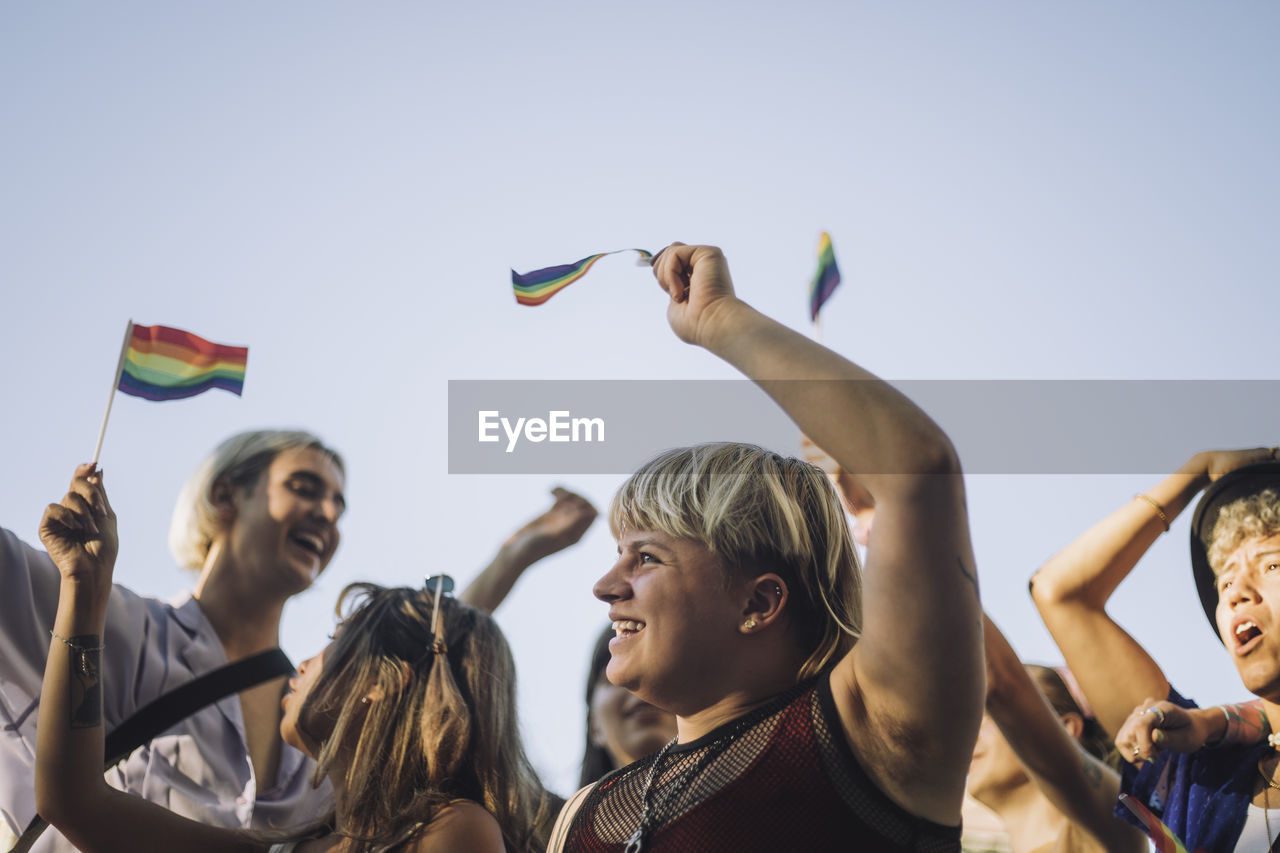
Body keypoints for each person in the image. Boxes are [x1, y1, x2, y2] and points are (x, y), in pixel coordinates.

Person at [549, 242, 984, 852]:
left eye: (646, 557)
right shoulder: (583, 816)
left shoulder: (871, 733)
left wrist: (718, 319)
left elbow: (919, 470)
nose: (605, 586)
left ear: (760, 602)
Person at [34, 465, 549, 852]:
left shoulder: (452, 831)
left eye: (336, 639)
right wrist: (84, 586)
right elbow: (73, 800)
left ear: (383, 681)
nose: (302, 663)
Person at [1, 431, 346, 851]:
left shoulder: (322, 730)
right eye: (304, 488)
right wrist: (82, 585)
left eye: (338, 506)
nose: (327, 513)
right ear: (225, 494)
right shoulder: (109, 623)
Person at [1031, 449, 1280, 851]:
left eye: (1272, 566)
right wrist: (1197, 471)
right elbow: (1060, 593)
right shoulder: (1202, 776)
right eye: (1225, 582)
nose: (1237, 594)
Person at [969, 616, 1147, 852]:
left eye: (991, 716)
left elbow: (1001, 681)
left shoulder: (1108, 827)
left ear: (1066, 729)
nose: (970, 736)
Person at [579, 624, 678, 788]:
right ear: (593, 725)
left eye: (658, 669)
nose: (640, 688)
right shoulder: (562, 813)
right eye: (615, 679)